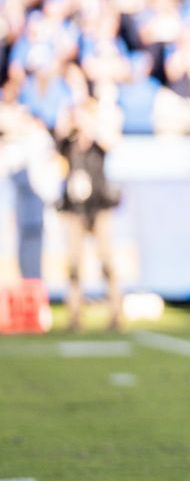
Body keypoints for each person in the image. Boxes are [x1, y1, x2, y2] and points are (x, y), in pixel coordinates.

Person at [55, 97, 124, 332]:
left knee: (107, 261)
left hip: (100, 207)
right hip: (75, 210)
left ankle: (116, 313)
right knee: (74, 263)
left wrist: (92, 125)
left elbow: (111, 142)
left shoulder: (98, 143)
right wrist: (70, 116)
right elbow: (57, 139)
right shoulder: (69, 144)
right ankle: (75, 316)